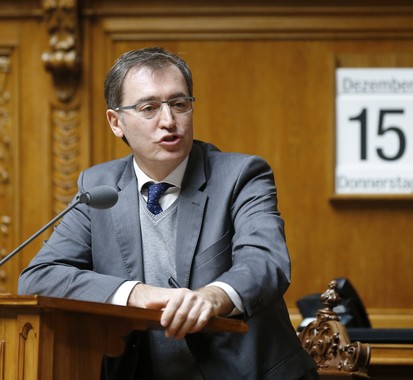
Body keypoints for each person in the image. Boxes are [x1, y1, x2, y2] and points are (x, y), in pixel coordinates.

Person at [18, 47, 318, 380]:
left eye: (179, 104)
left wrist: (214, 296)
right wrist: (135, 294)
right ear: (116, 122)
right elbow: (39, 276)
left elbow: (266, 261)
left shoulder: (241, 175)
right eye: (148, 108)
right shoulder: (99, 187)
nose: (169, 121)